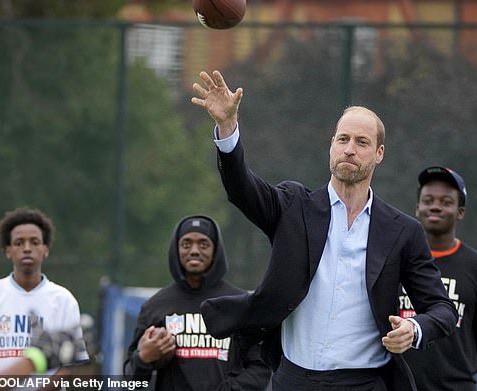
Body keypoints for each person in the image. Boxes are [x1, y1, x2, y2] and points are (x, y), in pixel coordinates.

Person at [190, 70, 458, 391]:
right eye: (343, 139)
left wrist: (414, 329)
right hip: (293, 379)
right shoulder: (292, 206)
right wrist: (227, 127)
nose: (349, 149)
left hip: (367, 382)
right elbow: (241, 189)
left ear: (379, 154)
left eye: (362, 142)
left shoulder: (403, 231)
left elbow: (442, 309)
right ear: (331, 145)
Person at [123, 214, 271, 391]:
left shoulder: (238, 304)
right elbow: (130, 381)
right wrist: (143, 359)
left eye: (203, 244)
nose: (194, 250)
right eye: (186, 244)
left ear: (216, 250)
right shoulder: (155, 305)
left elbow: (260, 367)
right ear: (175, 249)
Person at [397, 166, 477, 391]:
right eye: (428, 200)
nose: (435, 206)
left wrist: (456, 371)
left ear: (461, 211)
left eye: (446, 202)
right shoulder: (395, 263)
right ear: (418, 207)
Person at [0, 207, 89, 374]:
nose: (27, 248)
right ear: (8, 250)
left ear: (46, 249)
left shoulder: (64, 300)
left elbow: (67, 370)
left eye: (35, 242)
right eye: (19, 242)